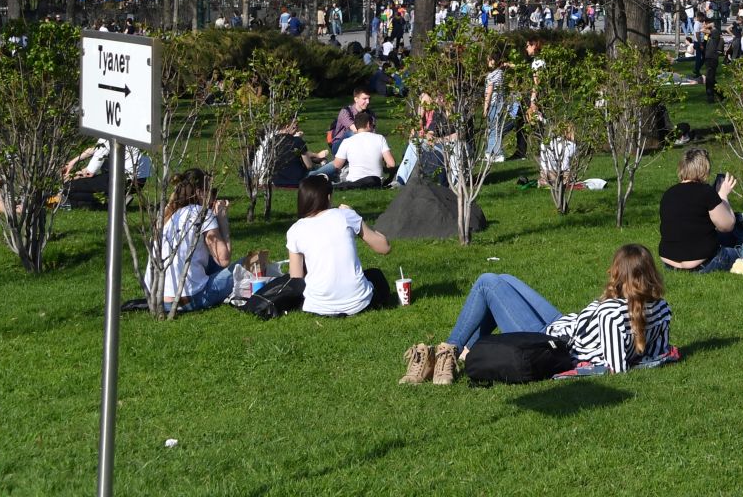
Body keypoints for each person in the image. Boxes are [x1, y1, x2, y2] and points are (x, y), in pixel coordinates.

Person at [406, 244, 674, 385]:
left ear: (618, 273)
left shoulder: (611, 313)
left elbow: (617, 368)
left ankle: (448, 352)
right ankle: (468, 352)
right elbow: (657, 354)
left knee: (488, 282)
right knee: (504, 278)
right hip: (562, 325)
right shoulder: (661, 307)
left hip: (547, 341)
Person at [284, 174, 394, 316]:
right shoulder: (345, 216)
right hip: (359, 303)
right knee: (376, 275)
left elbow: (296, 279)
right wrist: (354, 215)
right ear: (328, 198)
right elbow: (384, 247)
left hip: (317, 308)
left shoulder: (295, 230)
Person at [150, 169, 234, 312]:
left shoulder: (168, 216)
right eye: (210, 191)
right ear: (200, 192)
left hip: (159, 299)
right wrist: (222, 220)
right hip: (191, 299)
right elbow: (223, 260)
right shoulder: (202, 214)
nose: (212, 196)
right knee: (247, 266)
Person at [658, 148, 743, 272]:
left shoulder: (668, 193)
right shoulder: (706, 192)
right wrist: (723, 195)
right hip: (702, 264)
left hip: (670, 263)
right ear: (705, 168)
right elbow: (727, 226)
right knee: (741, 250)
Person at [321, 111, 394, 188]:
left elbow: (337, 165)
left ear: (356, 126)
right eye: (373, 125)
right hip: (376, 181)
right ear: (368, 124)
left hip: (353, 180)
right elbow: (391, 163)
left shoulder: (347, 141)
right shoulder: (380, 138)